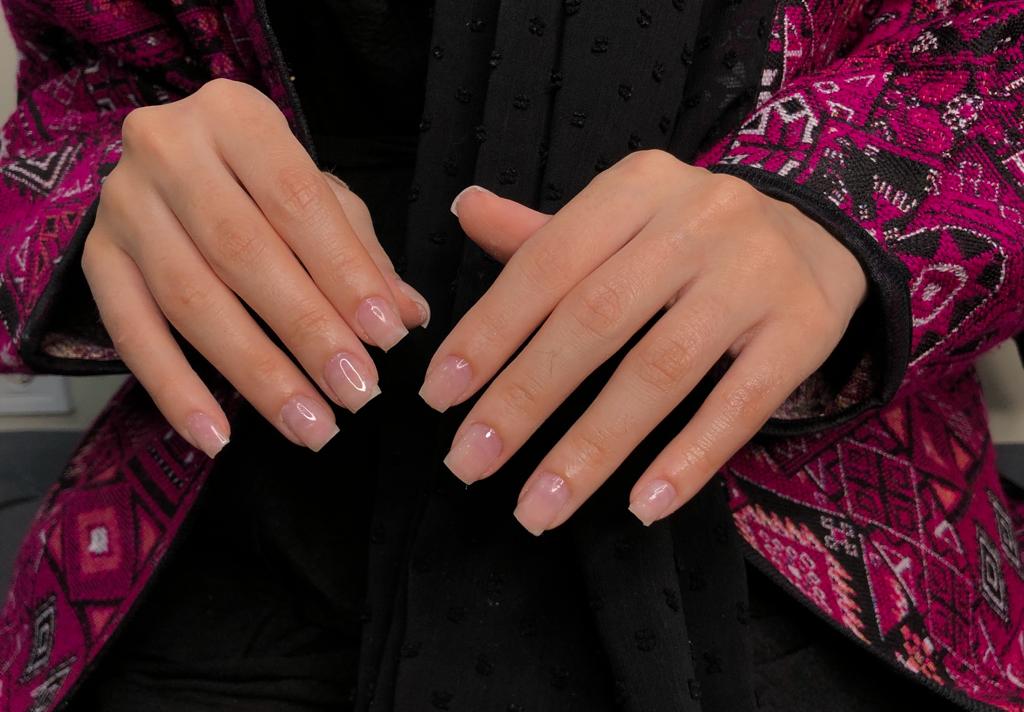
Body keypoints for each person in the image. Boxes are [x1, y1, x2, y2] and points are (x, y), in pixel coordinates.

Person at [0, 0, 1021, 710]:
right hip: (234, 567)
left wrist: (848, 199)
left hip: (828, 576)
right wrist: (128, 179)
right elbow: (79, 81)